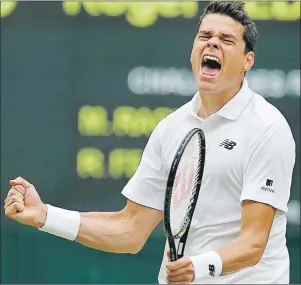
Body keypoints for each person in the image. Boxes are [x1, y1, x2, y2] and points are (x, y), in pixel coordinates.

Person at [4, 1, 296, 284]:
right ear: (193, 51)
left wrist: (200, 267)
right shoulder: (170, 128)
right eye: (205, 36)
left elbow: (254, 241)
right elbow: (130, 229)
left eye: (227, 39)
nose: (212, 43)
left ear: (248, 61)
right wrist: (45, 216)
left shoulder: (267, 127)